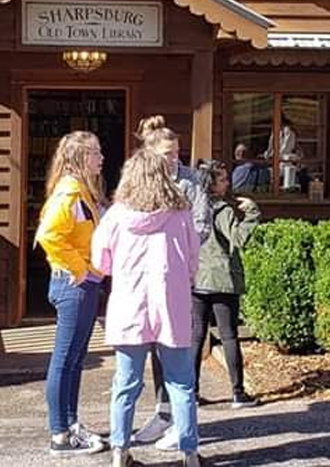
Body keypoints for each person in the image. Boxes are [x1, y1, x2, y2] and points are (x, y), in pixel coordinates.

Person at [91, 148, 202, 467]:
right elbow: (193, 259)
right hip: (172, 306)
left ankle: (119, 451)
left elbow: (100, 262)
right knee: (181, 383)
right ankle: (189, 453)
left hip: (130, 307)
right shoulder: (180, 214)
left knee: (126, 384)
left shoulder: (116, 215)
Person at [131, 115, 212, 449]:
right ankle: (163, 413)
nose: (175, 158)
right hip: (147, 278)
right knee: (154, 345)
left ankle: (182, 421)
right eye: (168, 153)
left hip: (179, 276)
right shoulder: (140, 180)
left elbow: (202, 224)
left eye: (177, 152)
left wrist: (177, 250)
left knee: (179, 348)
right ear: (151, 153)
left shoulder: (191, 181)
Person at [34, 131, 109, 456]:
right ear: (80, 157)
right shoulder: (69, 193)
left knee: (75, 360)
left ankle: (70, 424)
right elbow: (48, 235)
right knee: (65, 360)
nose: (101, 158)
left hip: (83, 284)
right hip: (73, 285)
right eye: (95, 153)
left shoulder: (82, 192)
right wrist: (81, 269)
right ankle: (60, 435)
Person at [191, 158, 262, 408]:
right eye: (222, 179)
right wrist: (252, 214)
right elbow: (239, 239)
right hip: (222, 280)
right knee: (229, 336)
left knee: (196, 336)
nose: (227, 182)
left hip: (197, 278)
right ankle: (238, 393)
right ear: (212, 184)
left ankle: (191, 392)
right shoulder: (223, 211)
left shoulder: (193, 209)